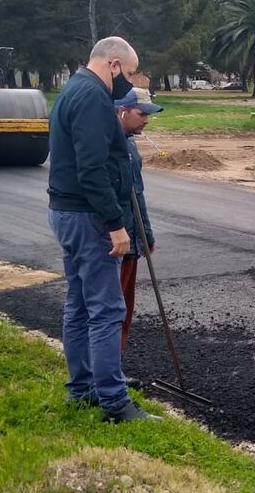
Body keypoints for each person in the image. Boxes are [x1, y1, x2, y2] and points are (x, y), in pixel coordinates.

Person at [47, 36, 160, 423]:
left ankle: (82, 390)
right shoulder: (94, 97)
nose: (127, 83)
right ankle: (114, 401)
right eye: (127, 73)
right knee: (108, 309)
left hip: (65, 211)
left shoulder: (72, 89)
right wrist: (115, 226)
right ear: (113, 65)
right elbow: (92, 169)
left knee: (79, 305)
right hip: (87, 217)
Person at [113, 87, 163, 352]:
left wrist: (146, 233)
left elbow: (138, 193)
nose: (146, 119)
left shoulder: (130, 144)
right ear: (121, 112)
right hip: (112, 240)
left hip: (131, 237)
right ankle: (103, 373)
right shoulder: (106, 144)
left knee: (124, 307)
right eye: (141, 113)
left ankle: (114, 367)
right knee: (110, 309)